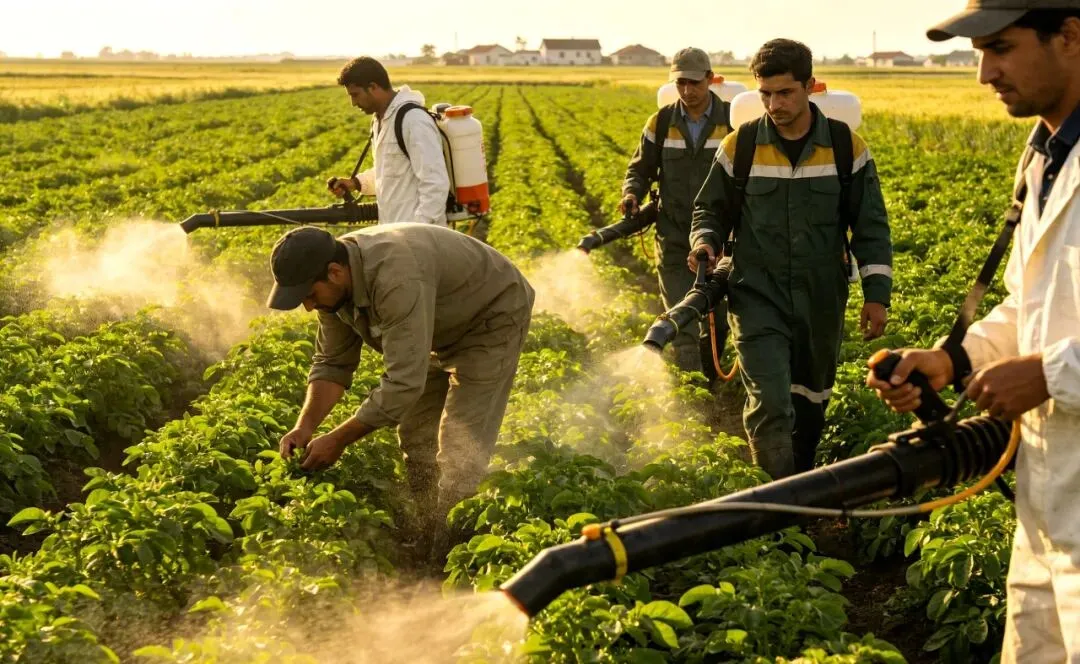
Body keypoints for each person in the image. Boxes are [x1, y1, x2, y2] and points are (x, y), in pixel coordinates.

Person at [868, 5, 1080, 661]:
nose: (984, 74)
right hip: (1050, 503)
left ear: (1070, 37)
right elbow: (1032, 306)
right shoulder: (1046, 154)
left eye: (1001, 48)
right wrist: (953, 360)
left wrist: (1049, 374)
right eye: (979, 53)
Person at [689, 39, 893, 479]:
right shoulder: (740, 146)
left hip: (821, 298)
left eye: (785, 93)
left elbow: (870, 225)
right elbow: (709, 209)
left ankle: (800, 483)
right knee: (770, 403)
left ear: (809, 86)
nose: (774, 104)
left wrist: (877, 295)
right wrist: (704, 241)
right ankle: (776, 503)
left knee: (811, 401)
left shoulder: (845, 147)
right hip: (756, 294)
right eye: (765, 94)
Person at [268, 223, 534, 557]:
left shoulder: (396, 278)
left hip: (491, 315)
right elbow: (332, 364)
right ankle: (429, 528)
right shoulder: (335, 292)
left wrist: (338, 440)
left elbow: (403, 384)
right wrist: (304, 426)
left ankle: (453, 553)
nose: (308, 306)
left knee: (461, 443)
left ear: (335, 272)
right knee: (415, 432)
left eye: (309, 296)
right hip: (434, 322)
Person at [621, 47, 734, 376]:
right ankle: (692, 391)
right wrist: (631, 193)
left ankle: (710, 380)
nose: (687, 90)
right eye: (680, 83)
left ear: (709, 79)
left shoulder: (732, 122)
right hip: (672, 235)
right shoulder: (661, 123)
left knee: (718, 318)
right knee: (680, 320)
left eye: (694, 83)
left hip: (719, 240)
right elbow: (640, 169)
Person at [327, 56, 450, 225]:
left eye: (355, 95)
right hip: (393, 231)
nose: (353, 103)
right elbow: (389, 172)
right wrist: (356, 183)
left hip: (418, 234)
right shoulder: (379, 120)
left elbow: (435, 183)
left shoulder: (413, 120)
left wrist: (418, 230)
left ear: (373, 87)